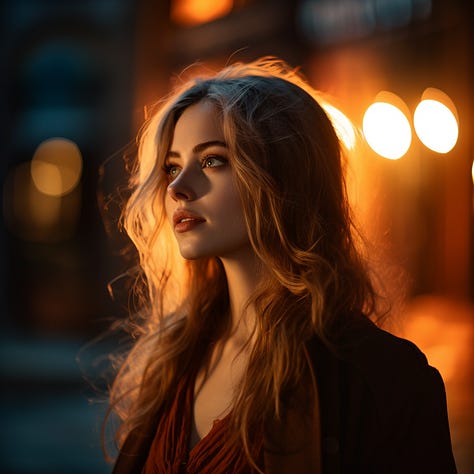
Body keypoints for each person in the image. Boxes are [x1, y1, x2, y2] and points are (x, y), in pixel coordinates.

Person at [108, 57, 457, 473]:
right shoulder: (173, 360)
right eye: (171, 167)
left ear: (283, 176)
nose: (178, 189)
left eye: (212, 160)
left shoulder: (384, 378)